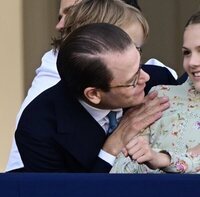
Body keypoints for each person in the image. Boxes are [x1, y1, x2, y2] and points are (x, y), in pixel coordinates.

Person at [6, 0, 174, 172]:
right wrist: (112, 147)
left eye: (139, 62)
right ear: (93, 94)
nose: (145, 78)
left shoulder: (158, 79)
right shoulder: (39, 127)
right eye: (133, 80)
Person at [110, 11, 200, 174]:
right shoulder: (160, 96)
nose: (193, 62)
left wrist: (162, 159)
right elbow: (119, 173)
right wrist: (146, 156)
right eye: (187, 52)